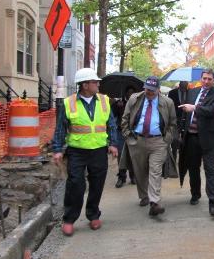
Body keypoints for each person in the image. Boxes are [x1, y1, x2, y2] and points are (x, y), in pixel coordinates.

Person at [52, 68, 119, 236]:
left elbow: (111, 124)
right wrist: (58, 149)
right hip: (77, 151)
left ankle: (93, 214)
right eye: (94, 82)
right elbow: (60, 128)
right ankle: (69, 219)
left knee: (97, 184)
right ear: (84, 85)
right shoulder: (69, 103)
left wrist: (113, 144)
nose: (98, 84)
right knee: (75, 184)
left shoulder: (104, 101)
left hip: (98, 150)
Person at [121, 76, 176, 216]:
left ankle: (154, 202)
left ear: (158, 90)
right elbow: (125, 119)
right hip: (137, 140)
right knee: (140, 172)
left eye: (152, 90)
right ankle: (144, 196)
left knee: (155, 171)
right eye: (147, 89)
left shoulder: (168, 102)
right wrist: (128, 136)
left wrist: (166, 140)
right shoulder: (134, 99)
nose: (149, 93)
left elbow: (172, 123)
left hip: (158, 142)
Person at [179, 69, 214, 216]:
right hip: (192, 137)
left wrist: (194, 108)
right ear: (201, 78)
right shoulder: (192, 92)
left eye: (209, 79)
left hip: (209, 139)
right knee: (193, 168)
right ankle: (195, 194)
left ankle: (212, 201)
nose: (206, 81)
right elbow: (185, 115)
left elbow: (213, 111)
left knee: (210, 170)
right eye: (204, 78)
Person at [112, 86, 136, 188]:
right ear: (125, 93)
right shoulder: (119, 103)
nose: (130, 94)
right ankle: (121, 177)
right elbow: (112, 115)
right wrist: (118, 106)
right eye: (129, 92)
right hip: (121, 132)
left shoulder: (137, 103)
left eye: (132, 92)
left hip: (133, 133)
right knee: (121, 155)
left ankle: (133, 176)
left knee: (132, 155)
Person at [168, 81, 188, 161]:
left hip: (186, 120)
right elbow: (169, 105)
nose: (184, 88)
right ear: (179, 85)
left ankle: (183, 157)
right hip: (175, 119)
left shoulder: (190, 93)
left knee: (184, 140)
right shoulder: (172, 93)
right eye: (182, 86)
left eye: (185, 86)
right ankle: (174, 156)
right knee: (175, 139)